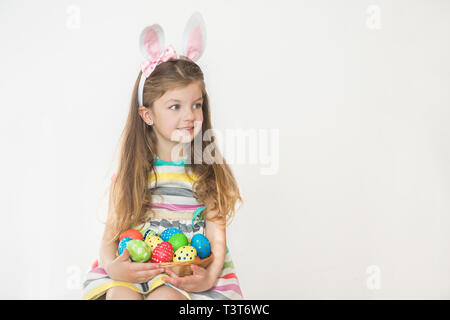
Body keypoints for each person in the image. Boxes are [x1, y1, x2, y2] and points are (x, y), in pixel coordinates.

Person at [82, 12, 243, 300]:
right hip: (136, 271)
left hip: (188, 277)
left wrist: (208, 274)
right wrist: (113, 268)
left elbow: (218, 242)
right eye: (175, 107)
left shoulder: (206, 170)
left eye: (196, 105)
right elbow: (109, 240)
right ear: (147, 115)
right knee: (121, 296)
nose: (190, 116)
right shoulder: (132, 173)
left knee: (164, 298)